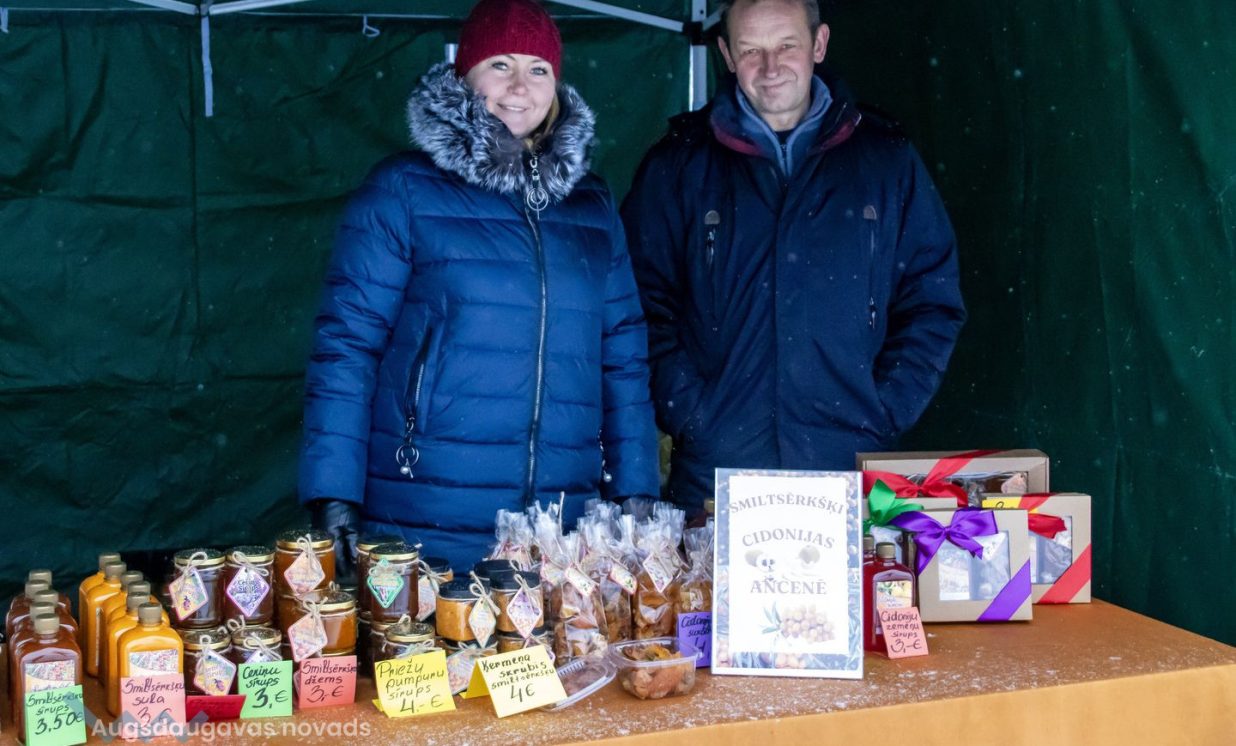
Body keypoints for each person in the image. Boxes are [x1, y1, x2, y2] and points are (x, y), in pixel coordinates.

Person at [299, 0, 659, 575]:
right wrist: (333, 493)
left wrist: (635, 487)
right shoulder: (404, 189)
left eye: (538, 68)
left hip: (561, 526)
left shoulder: (590, 204)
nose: (519, 86)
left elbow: (623, 355)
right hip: (425, 510)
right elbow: (347, 348)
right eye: (499, 64)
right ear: (465, 75)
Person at [621, 0, 966, 512]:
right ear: (726, 55)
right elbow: (636, 305)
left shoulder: (885, 159)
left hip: (850, 468)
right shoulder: (679, 164)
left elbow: (932, 300)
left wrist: (882, 411)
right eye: (750, 50)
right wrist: (693, 413)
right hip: (717, 473)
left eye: (786, 45)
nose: (770, 67)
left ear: (818, 44)